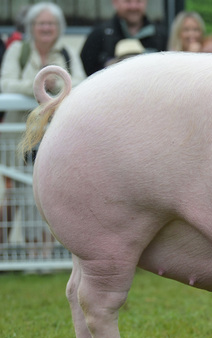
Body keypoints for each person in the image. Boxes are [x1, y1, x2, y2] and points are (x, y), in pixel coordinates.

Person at [0, 2, 86, 263]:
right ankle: (26, 256)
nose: (46, 28)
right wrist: (37, 84)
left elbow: (83, 83)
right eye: (41, 24)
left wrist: (57, 82)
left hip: (56, 137)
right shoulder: (18, 50)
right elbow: (5, 82)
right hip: (20, 138)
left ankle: (45, 257)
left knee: (50, 193)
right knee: (22, 194)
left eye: (51, 24)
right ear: (31, 28)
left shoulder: (66, 51)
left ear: (59, 28)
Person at [80, 0, 168, 76]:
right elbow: (90, 73)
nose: (133, 7)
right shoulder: (99, 35)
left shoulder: (161, 35)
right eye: (127, 1)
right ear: (115, 2)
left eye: (139, 1)